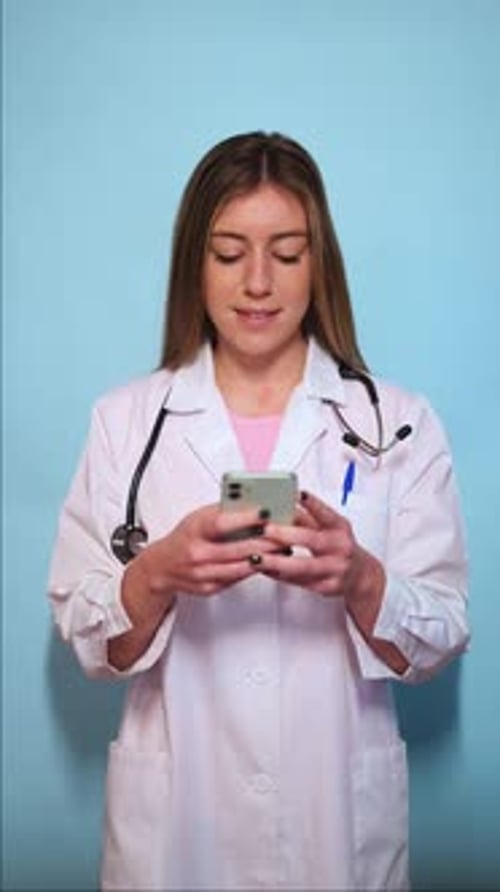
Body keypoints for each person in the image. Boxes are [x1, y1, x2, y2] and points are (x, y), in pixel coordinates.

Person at [48, 131, 470, 891]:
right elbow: (83, 638)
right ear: (194, 263)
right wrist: (154, 574)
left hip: (334, 828)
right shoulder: (126, 422)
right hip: (179, 833)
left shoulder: (397, 423)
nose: (257, 282)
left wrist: (363, 580)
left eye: (286, 251)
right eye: (229, 251)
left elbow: (443, 634)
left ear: (320, 262)